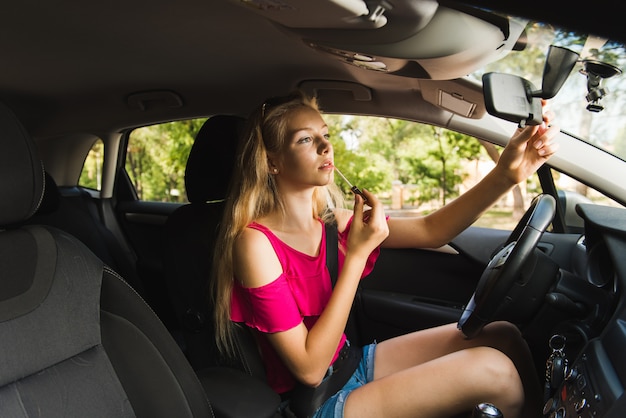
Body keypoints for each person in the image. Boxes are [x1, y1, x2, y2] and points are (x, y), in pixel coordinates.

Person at [213, 90, 558, 418]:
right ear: (272, 162)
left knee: (505, 336)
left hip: (349, 363)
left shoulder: (333, 222)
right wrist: (357, 255)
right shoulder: (254, 243)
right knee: (494, 372)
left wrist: (506, 175)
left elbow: (431, 230)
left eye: (325, 134)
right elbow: (309, 368)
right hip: (314, 403)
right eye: (305, 139)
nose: (325, 146)